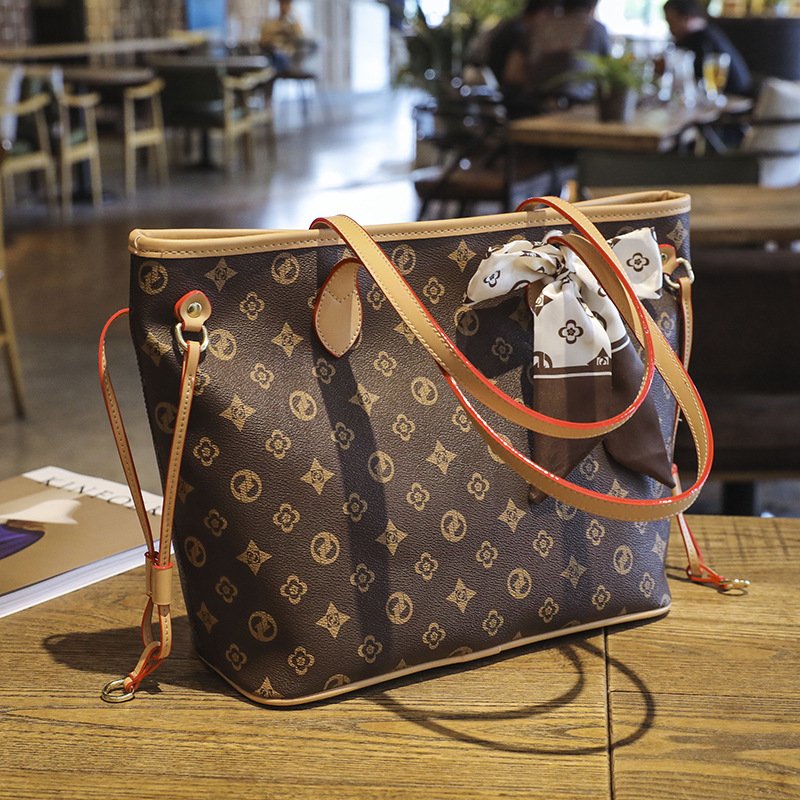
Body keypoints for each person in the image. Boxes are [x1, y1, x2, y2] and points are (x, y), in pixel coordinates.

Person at [663, 0, 752, 96]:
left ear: (687, 18)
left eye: (671, 22)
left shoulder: (703, 40)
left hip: (732, 96)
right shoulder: (705, 32)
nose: (670, 29)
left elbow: (695, 78)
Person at [259, 0, 304, 71]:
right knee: (276, 57)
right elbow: (262, 41)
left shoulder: (295, 24)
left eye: (287, 3)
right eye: (282, 3)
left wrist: (291, 28)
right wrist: (277, 30)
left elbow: (300, 38)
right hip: (273, 54)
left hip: (290, 56)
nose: (284, 7)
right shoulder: (270, 24)